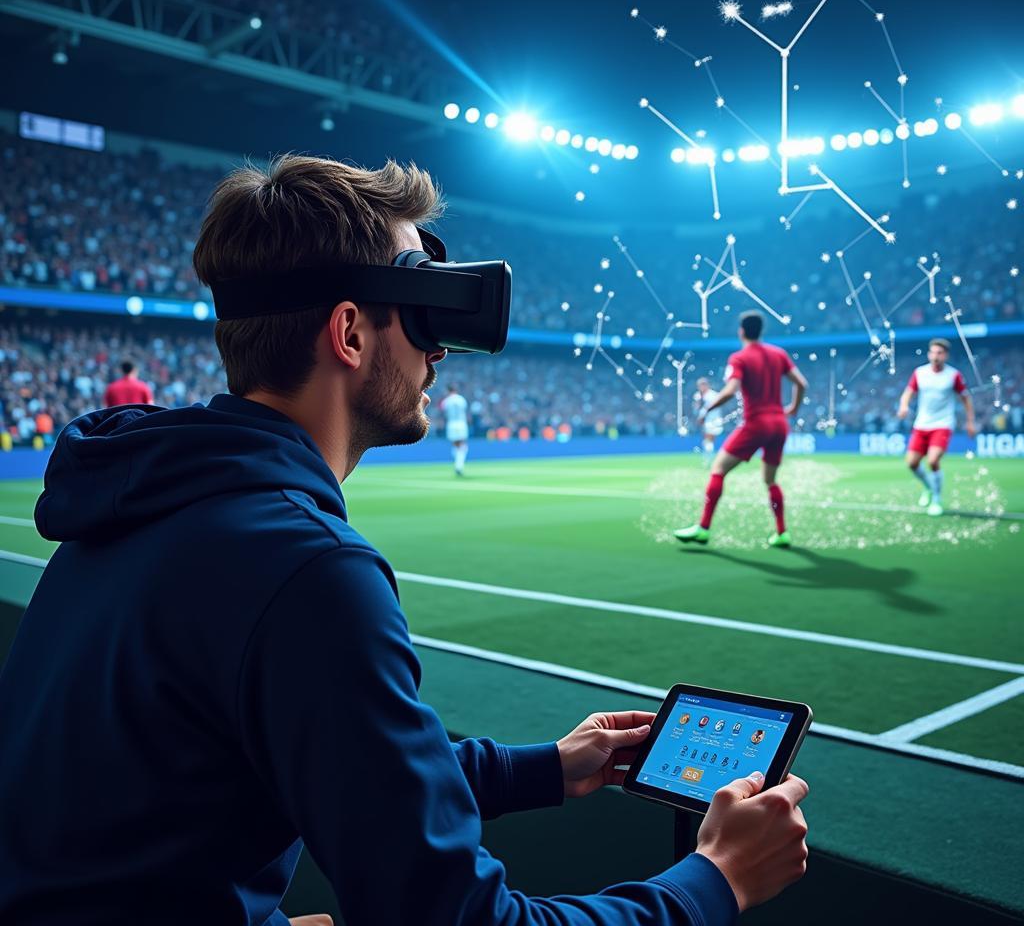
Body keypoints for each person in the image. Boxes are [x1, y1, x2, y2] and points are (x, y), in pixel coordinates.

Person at [0, 157, 809, 925]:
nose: (441, 349)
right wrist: (715, 880)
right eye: (424, 312)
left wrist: (541, 768)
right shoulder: (306, 570)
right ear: (349, 333)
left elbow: (303, 768)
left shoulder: (140, 498)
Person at [675, 311, 807, 548]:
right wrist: (792, 408)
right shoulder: (778, 354)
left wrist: (707, 410)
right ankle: (782, 532)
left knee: (718, 469)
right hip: (779, 424)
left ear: (741, 331)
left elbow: (729, 390)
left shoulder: (740, 357)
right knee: (770, 480)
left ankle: (703, 528)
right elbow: (802, 383)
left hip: (756, 423)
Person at [897, 337, 976, 516]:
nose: (935, 356)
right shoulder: (920, 372)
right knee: (912, 463)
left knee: (933, 460)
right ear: (928, 354)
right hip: (921, 424)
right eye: (933, 352)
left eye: (939, 353)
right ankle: (928, 487)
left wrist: (970, 421)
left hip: (943, 424)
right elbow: (908, 393)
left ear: (945, 355)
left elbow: (965, 398)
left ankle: (937, 500)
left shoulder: (953, 375)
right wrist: (903, 406)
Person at [694, 376, 725, 465]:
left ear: (707, 385)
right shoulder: (697, 396)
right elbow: (697, 408)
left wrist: (702, 416)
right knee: (707, 440)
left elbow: (710, 408)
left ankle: (708, 460)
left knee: (709, 439)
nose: (701, 387)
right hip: (704, 421)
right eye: (700, 385)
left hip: (713, 420)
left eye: (703, 385)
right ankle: (708, 459)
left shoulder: (713, 395)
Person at [440, 382, 470, 475]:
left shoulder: (446, 401)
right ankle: (459, 465)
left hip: (451, 424)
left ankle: (458, 465)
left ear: (448, 391)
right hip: (461, 423)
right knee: (462, 445)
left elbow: (443, 412)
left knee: (456, 445)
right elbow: (465, 411)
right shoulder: (461, 399)